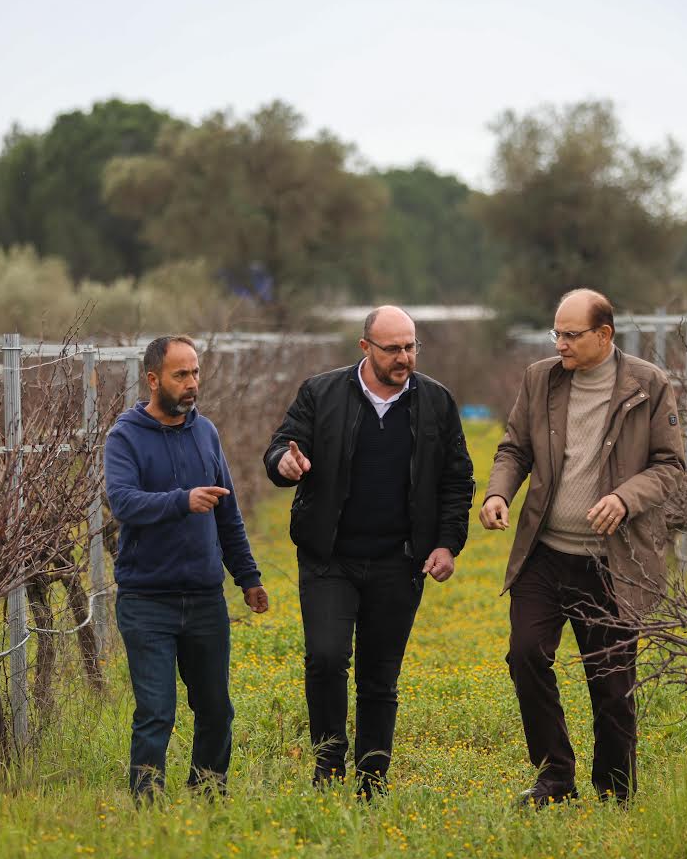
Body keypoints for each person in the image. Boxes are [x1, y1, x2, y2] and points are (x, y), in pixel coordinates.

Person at [479, 288, 684, 806]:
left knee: (612, 685)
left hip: (612, 563)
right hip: (545, 555)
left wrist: (625, 496)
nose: (561, 344)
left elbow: (670, 467)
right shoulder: (540, 379)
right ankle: (555, 778)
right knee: (525, 655)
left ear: (604, 335)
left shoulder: (650, 385)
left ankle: (616, 789)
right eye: (557, 333)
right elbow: (514, 447)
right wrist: (499, 492)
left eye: (571, 335)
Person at [264, 305, 475, 797]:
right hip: (329, 557)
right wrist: (285, 465)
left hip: (398, 561)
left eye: (411, 346)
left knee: (380, 677)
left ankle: (372, 780)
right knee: (325, 658)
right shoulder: (322, 392)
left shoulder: (436, 403)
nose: (404, 357)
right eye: (393, 348)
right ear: (365, 348)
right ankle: (328, 767)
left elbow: (456, 478)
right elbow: (278, 450)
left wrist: (446, 543)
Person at [105, 335, 270, 802]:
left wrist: (249, 577)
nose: (192, 383)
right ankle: (147, 806)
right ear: (153, 379)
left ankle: (208, 797)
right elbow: (122, 502)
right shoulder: (125, 437)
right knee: (156, 711)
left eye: (195, 372)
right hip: (146, 599)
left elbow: (228, 513)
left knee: (216, 709)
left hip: (204, 599)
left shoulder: (206, 433)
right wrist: (182, 501)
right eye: (181, 375)